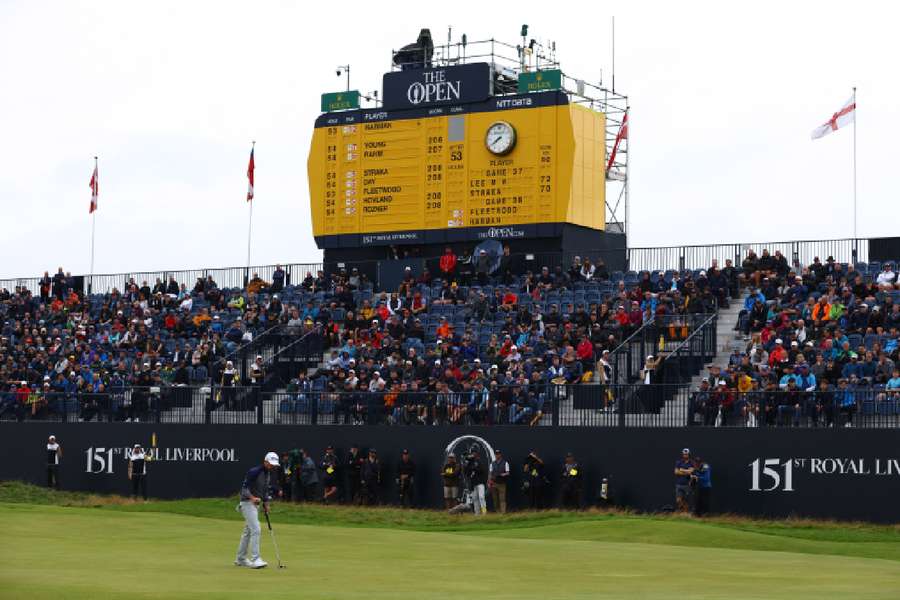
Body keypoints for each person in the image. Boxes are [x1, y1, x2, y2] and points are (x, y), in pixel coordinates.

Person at [235, 452, 280, 569]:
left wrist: (266, 503)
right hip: (247, 503)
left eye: (274, 465)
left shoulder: (268, 474)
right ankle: (255, 559)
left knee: (248, 531)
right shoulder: (254, 472)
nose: (273, 467)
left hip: (256, 504)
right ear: (265, 462)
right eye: (271, 464)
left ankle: (241, 559)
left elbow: (264, 491)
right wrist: (252, 498)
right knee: (256, 528)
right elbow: (244, 489)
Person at [465, 447, 487, 515]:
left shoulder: (479, 461)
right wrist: (467, 464)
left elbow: (482, 470)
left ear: (477, 453)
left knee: (481, 497)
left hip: (480, 482)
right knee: (475, 498)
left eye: (474, 452)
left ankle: (484, 512)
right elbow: (467, 473)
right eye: (472, 453)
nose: (473, 454)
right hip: (473, 483)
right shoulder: (470, 462)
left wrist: (474, 468)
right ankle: (477, 513)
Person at [488, 449, 510, 513]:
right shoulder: (492, 464)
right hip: (494, 483)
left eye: (498, 454)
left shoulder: (505, 463)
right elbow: (490, 474)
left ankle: (503, 512)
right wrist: (489, 482)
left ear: (500, 455)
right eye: (496, 454)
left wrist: (504, 474)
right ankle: (498, 512)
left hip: (502, 483)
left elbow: (508, 472)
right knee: (495, 499)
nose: (497, 455)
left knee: (502, 499)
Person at [674, 448, 695, 512]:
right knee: (678, 500)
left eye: (686, 454)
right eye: (684, 454)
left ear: (689, 455)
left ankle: (685, 514)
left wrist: (682, 470)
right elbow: (676, 472)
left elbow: (691, 471)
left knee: (686, 501)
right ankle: (683, 511)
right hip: (679, 484)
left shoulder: (692, 462)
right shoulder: (679, 462)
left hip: (687, 485)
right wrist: (686, 472)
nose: (685, 455)